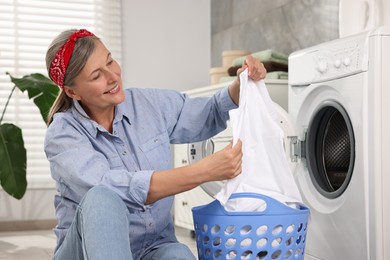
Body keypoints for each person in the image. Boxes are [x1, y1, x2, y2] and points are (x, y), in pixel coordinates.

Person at [44, 29, 266, 260]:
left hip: (152, 247)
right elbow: (115, 189)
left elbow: (206, 112)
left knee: (179, 255)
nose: (113, 77)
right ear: (72, 91)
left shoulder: (146, 104)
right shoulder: (63, 135)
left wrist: (238, 88)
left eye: (110, 61)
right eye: (97, 75)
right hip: (86, 253)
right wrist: (205, 171)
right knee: (102, 197)